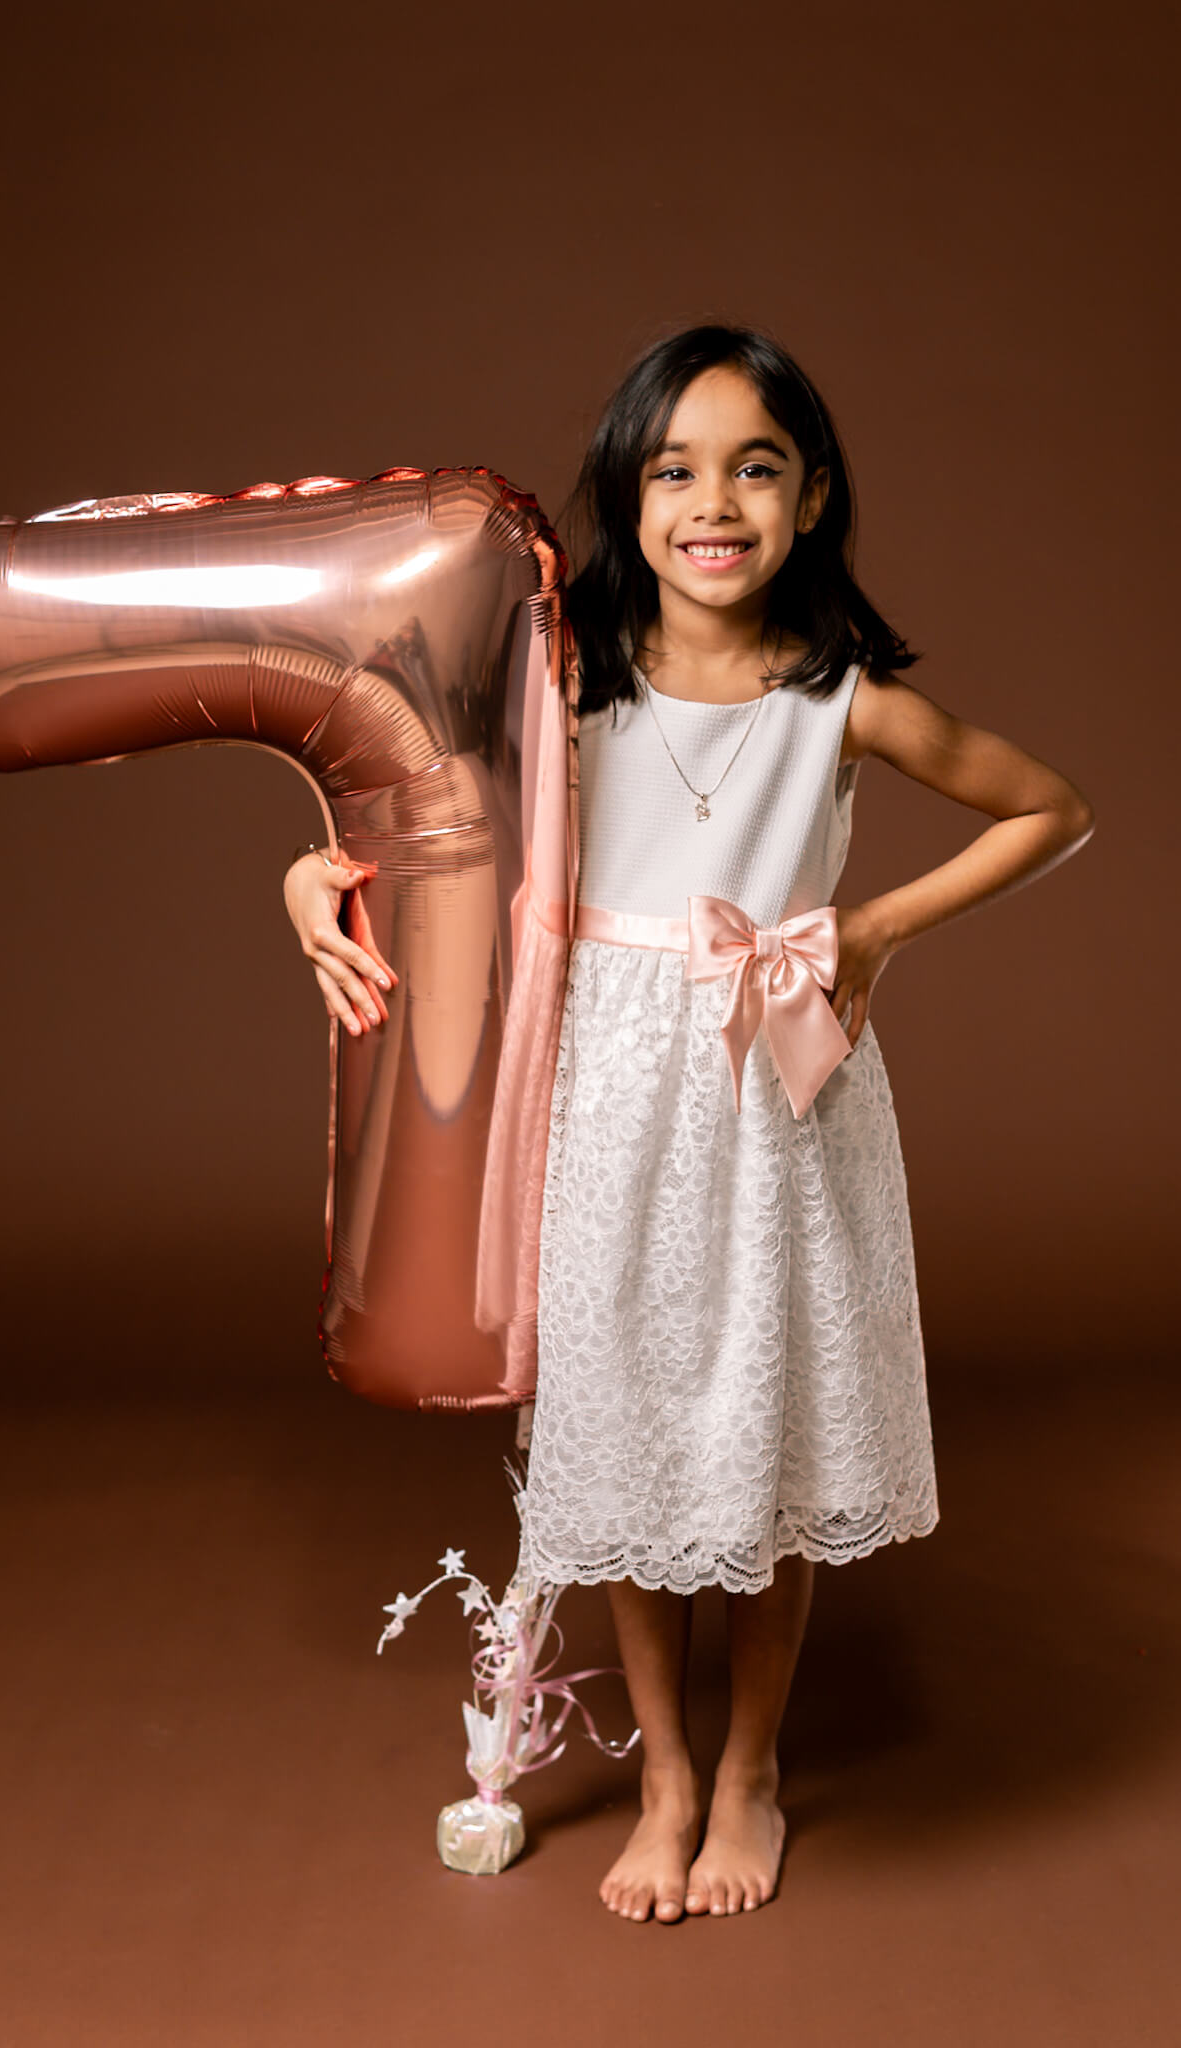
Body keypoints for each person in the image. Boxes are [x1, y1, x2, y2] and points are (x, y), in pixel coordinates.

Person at [282, 323, 1095, 1926]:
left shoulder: (837, 704)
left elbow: (1047, 808)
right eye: (674, 469)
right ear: (625, 496)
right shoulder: (557, 680)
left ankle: (750, 1772)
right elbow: (397, 796)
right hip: (605, 1100)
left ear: (806, 501)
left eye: (754, 467)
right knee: (637, 1438)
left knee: (756, 1443)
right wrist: (311, 873)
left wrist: (865, 932)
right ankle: (662, 1768)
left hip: (772, 1098)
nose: (711, 502)